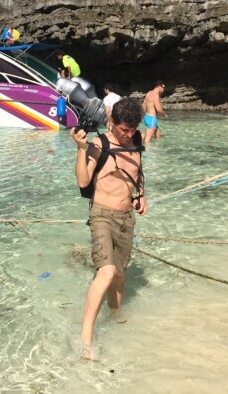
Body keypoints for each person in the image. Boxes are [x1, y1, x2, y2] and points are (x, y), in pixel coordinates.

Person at [70, 97, 146, 360]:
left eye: (132, 129)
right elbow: (83, 181)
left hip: (127, 217)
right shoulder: (98, 144)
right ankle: (85, 340)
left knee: (120, 275)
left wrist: (141, 195)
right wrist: (81, 149)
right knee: (107, 271)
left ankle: (115, 312)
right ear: (112, 122)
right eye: (124, 129)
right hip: (102, 214)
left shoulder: (136, 141)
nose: (128, 134)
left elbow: (137, 170)